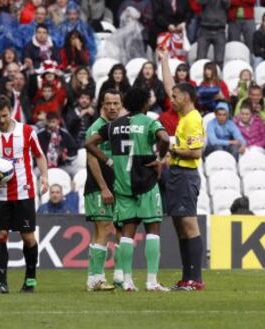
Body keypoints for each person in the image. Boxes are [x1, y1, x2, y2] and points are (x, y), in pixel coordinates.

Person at [85, 87, 170, 292]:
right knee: (153, 230)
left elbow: (89, 144)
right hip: (146, 184)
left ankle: (127, 281)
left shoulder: (113, 126)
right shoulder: (149, 121)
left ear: (125, 104)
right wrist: (159, 159)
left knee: (125, 233)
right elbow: (165, 139)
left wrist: (110, 161)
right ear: (145, 104)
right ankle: (151, 281)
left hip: (122, 187)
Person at [0, 95, 48, 294]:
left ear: (10, 111)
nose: (1, 120)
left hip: (24, 192)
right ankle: (1, 283)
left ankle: (30, 280)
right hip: (0, 195)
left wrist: (44, 176)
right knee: (0, 235)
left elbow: (39, 155)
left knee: (28, 237)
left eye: (4, 115)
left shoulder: (27, 132)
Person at [159, 48, 205, 291]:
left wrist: (172, 150)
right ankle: (186, 277)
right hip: (177, 175)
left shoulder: (194, 119)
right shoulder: (184, 117)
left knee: (189, 224)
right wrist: (164, 61)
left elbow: (197, 152)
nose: (172, 99)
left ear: (186, 97)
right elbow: (169, 87)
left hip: (186, 175)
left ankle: (195, 279)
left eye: (176, 96)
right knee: (179, 226)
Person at [84, 89, 122, 292]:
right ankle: (96, 278)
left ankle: (95, 277)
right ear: (102, 106)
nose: (113, 107)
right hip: (99, 188)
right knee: (106, 228)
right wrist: (104, 188)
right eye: (109, 103)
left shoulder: (115, 128)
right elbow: (91, 158)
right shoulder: (96, 128)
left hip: (112, 187)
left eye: (116, 103)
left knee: (103, 230)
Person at [196, 0, 230, 68]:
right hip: (204, 29)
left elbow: (227, 4)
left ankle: (218, 77)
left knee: (219, 60)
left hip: (219, 29)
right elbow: (199, 2)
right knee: (201, 57)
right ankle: (200, 76)